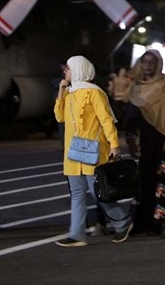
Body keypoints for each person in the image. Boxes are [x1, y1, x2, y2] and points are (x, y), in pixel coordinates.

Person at [53, 55, 133, 247]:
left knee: (98, 192)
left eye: (68, 69)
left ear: (78, 70)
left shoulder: (94, 93)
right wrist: (61, 92)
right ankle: (77, 234)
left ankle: (122, 222)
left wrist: (114, 145)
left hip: (93, 149)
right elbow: (59, 117)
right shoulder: (70, 93)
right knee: (77, 193)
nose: (65, 72)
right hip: (73, 151)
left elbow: (106, 120)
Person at [123, 50, 165, 238]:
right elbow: (131, 118)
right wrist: (131, 140)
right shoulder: (137, 88)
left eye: (151, 62)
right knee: (146, 181)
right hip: (147, 142)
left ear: (159, 64)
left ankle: (162, 222)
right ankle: (145, 223)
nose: (147, 65)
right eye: (144, 61)